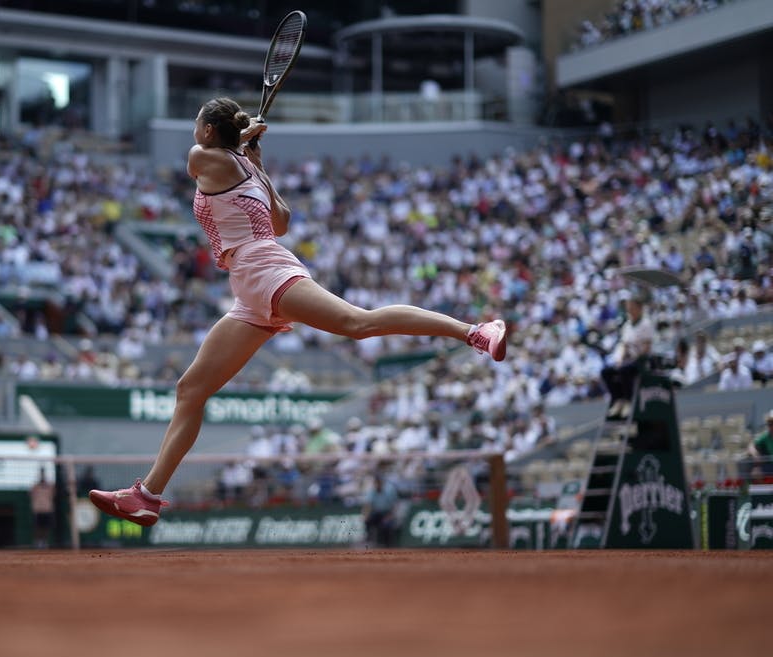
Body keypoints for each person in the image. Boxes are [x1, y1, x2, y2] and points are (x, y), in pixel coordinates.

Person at [89, 97, 508, 526]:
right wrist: (256, 159)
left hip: (264, 269)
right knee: (190, 390)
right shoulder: (248, 167)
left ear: (209, 131)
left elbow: (197, 165)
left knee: (356, 323)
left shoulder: (207, 157)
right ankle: (147, 495)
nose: (194, 131)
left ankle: (475, 332)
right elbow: (282, 220)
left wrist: (243, 145)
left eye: (197, 123)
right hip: (248, 288)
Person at [600, 291, 654, 419]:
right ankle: (618, 399)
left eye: (632, 307)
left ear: (639, 308)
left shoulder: (646, 324)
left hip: (642, 361)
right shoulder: (628, 324)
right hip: (628, 359)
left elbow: (646, 348)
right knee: (606, 371)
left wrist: (633, 358)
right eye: (628, 307)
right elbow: (624, 345)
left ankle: (628, 401)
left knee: (625, 370)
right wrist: (620, 360)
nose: (629, 310)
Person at [362, 471, 400, 548]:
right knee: (368, 520)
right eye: (376, 482)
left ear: (382, 482)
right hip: (377, 513)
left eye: (378, 482)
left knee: (386, 525)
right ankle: (369, 540)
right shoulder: (372, 491)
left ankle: (388, 545)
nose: (377, 484)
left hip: (388, 513)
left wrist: (390, 516)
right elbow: (368, 505)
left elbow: (395, 505)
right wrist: (365, 516)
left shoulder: (390, 490)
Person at [30, 468, 55, 549]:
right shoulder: (35, 486)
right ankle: (38, 542)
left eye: (43, 473)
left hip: (47, 509)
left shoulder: (49, 486)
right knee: (38, 527)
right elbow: (31, 494)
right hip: (38, 509)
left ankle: (44, 542)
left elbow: (53, 494)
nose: (42, 475)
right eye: (41, 473)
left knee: (46, 527)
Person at [745, 410, 773, 481]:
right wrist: (755, 455)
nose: (771, 426)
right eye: (769, 423)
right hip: (769, 467)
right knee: (756, 472)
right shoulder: (766, 436)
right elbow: (751, 445)